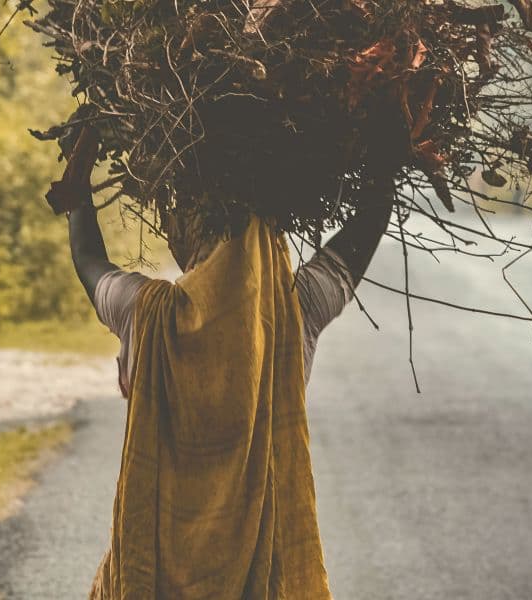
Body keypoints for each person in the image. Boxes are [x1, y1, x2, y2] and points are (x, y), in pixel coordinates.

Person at [55, 117, 394, 600]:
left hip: (154, 575)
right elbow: (360, 235)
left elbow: (89, 261)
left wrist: (79, 178)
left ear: (186, 236)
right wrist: (390, 151)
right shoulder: (293, 315)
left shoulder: (146, 314)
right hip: (258, 578)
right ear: (272, 238)